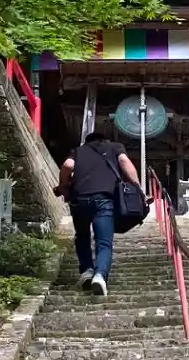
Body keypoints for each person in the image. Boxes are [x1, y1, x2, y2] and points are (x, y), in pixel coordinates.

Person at [57, 123, 141, 297]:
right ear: (105, 140)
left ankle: (86, 271)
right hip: (104, 199)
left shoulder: (78, 151)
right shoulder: (115, 147)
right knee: (104, 242)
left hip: (79, 200)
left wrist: (63, 186)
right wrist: (138, 188)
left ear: (87, 141)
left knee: (82, 236)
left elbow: (67, 165)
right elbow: (124, 162)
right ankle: (100, 276)